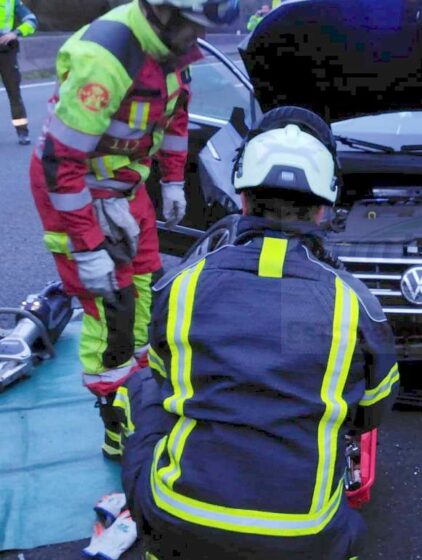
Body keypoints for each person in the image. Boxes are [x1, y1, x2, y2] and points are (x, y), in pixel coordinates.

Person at [120, 106, 400, 559]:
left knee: (142, 392)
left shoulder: (180, 285)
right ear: (324, 210)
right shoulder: (353, 302)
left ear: (243, 199)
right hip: (303, 538)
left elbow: (165, 379)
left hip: (180, 525)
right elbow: (372, 411)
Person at [28, 0, 239, 460]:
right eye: (192, 28)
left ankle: (141, 396)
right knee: (112, 311)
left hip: (127, 183)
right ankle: (117, 427)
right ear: (160, 12)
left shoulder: (173, 53)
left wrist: (173, 180)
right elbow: (59, 163)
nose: (197, 40)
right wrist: (86, 246)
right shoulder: (106, 58)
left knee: (144, 289)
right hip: (78, 191)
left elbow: (176, 119)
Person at [0, 0, 37, 145]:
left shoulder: (11, 1)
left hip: (6, 51)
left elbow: (31, 21)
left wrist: (16, 33)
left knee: (14, 94)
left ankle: (22, 131)